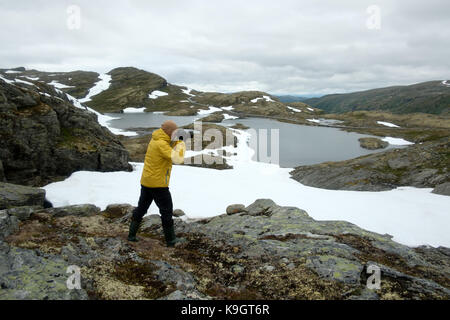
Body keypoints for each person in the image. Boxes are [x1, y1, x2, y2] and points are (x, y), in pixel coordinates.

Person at [128, 120, 186, 246]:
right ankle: (171, 241)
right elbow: (177, 158)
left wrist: (175, 140)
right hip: (158, 185)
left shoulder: (156, 139)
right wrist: (180, 142)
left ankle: (131, 235)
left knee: (141, 208)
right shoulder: (161, 144)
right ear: (169, 132)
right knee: (166, 211)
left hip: (147, 182)